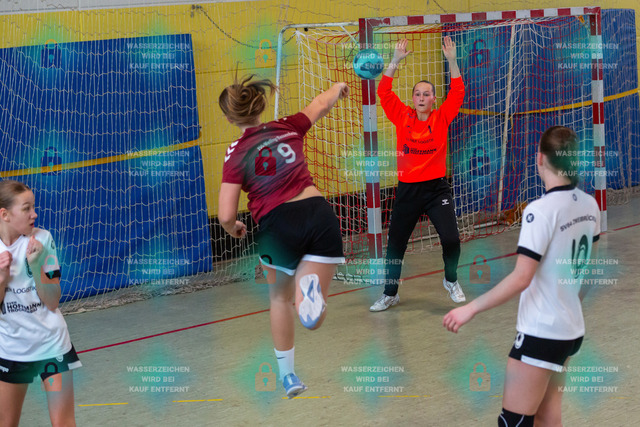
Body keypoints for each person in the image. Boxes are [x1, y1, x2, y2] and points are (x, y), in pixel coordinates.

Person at [443, 126, 601, 427]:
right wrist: (565, 303)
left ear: (539, 158)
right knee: (547, 417)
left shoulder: (539, 211)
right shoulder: (590, 205)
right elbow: (588, 275)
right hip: (571, 330)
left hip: (542, 333)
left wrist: (470, 308)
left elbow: (521, 278)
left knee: (513, 421)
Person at [218, 74, 348, 398]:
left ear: (230, 118)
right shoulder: (288, 126)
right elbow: (320, 104)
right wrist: (337, 88)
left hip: (278, 225)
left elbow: (225, 214)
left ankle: (288, 377)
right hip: (319, 214)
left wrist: (233, 228)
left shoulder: (235, 154)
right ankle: (308, 293)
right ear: (260, 107)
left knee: (279, 299)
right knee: (312, 317)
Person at [370, 37, 466, 312]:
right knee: (395, 244)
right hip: (408, 190)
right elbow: (384, 91)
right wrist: (395, 60)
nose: (422, 98)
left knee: (451, 239)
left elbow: (458, 92)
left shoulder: (442, 117)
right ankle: (390, 294)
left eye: (427, 94)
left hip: (436, 190)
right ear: (413, 99)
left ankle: (451, 280)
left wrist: (452, 61)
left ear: (434, 99)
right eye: (417, 94)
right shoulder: (402, 116)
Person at [0, 180, 81, 427]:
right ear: (4, 215)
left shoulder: (44, 239)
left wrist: (36, 266)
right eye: (26, 208)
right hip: (11, 349)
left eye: (33, 207)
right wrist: (1, 280)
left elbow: (53, 301)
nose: (34, 214)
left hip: (52, 346)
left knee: (63, 423)